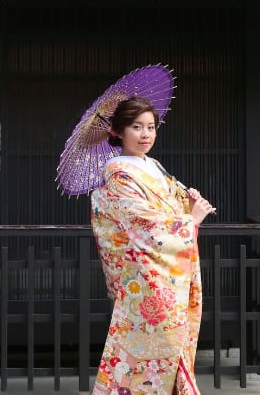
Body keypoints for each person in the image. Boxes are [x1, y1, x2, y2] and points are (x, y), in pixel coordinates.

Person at [90, 96, 216, 395]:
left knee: (175, 341)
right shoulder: (119, 174)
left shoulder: (153, 166)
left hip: (167, 271)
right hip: (145, 275)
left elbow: (167, 207)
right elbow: (143, 223)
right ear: (118, 131)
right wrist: (190, 221)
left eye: (151, 127)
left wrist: (186, 202)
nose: (146, 134)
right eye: (136, 127)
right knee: (153, 344)